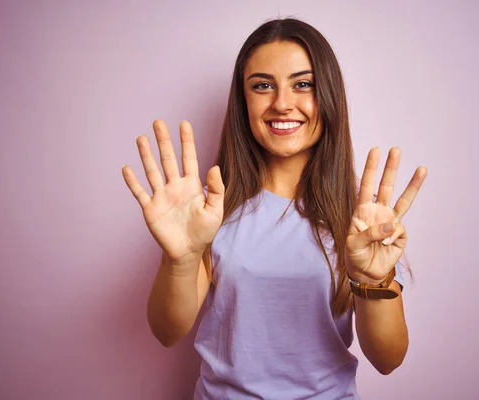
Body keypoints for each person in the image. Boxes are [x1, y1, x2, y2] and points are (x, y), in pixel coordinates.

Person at [122, 17, 427, 400]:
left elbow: (388, 359)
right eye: (263, 86)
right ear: (243, 100)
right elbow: (167, 332)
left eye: (303, 84)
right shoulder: (208, 212)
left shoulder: (361, 221)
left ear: (328, 95)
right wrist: (182, 259)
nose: (282, 103)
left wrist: (372, 280)